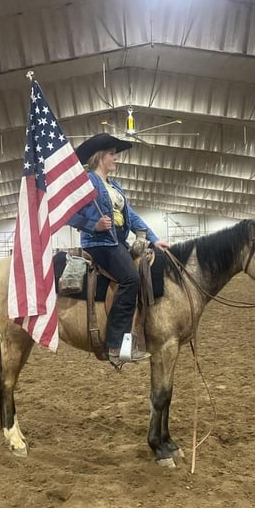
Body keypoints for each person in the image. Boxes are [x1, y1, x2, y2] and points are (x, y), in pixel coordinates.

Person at [67, 133, 170, 365]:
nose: (116, 158)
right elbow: (68, 213)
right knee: (130, 279)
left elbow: (131, 216)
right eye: (112, 154)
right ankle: (115, 344)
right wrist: (92, 224)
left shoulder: (114, 186)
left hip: (117, 243)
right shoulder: (88, 182)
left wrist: (154, 239)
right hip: (99, 244)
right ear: (100, 157)